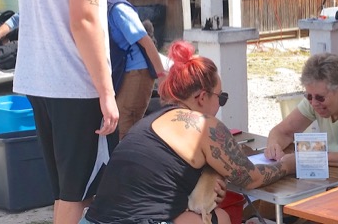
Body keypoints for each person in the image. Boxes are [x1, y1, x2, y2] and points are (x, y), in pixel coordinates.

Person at [13, 0, 136, 224]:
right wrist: (107, 92)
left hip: (37, 79)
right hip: (74, 84)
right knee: (81, 195)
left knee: (67, 192)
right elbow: (84, 18)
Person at [82, 40, 296, 224]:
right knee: (221, 218)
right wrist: (287, 164)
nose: (220, 105)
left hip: (94, 219)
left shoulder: (150, 122)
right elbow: (252, 179)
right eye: (221, 98)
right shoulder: (204, 125)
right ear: (202, 97)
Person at [106, 0, 166, 140]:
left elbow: (146, 42)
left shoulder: (117, 9)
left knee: (126, 127)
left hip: (137, 72)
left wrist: (161, 76)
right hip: (120, 73)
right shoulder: (99, 9)